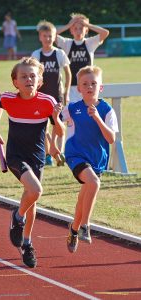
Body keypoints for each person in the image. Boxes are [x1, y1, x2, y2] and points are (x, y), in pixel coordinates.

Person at [0, 57, 65, 268]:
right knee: (36, 190)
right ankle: (17, 216)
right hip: (15, 156)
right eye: (24, 76)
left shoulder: (47, 102)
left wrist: (57, 119)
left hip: (37, 157)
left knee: (32, 200)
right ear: (15, 81)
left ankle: (26, 243)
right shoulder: (8, 98)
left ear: (40, 80)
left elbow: (59, 131)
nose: (29, 79)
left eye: (33, 76)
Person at [62, 65, 118, 252]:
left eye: (94, 83)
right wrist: (53, 138)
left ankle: (75, 229)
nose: (89, 87)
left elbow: (111, 139)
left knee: (83, 198)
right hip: (75, 155)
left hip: (97, 160)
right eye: (85, 84)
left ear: (100, 87)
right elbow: (56, 122)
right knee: (93, 183)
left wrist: (97, 119)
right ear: (79, 88)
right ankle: (86, 225)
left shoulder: (107, 110)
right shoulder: (72, 108)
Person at [32, 20, 71, 166]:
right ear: (40, 37)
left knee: (58, 125)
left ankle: (58, 154)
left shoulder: (59, 54)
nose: (48, 39)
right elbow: (32, 75)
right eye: (45, 36)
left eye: (50, 36)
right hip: (41, 97)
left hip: (56, 96)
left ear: (54, 37)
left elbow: (68, 73)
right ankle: (48, 153)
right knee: (43, 127)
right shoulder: (36, 55)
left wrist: (66, 92)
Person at [56, 13, 109, 103]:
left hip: (88, 86)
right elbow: (52, 34)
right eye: (75, 28)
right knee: (73, 114)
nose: (78, 31)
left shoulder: (90, 43)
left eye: (81, 28)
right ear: (71, 31)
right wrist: (69, 25)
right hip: (72, 86)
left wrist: (87, 24)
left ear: (86, 30)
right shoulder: (67, 43)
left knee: (89, 111)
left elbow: (105, 33)